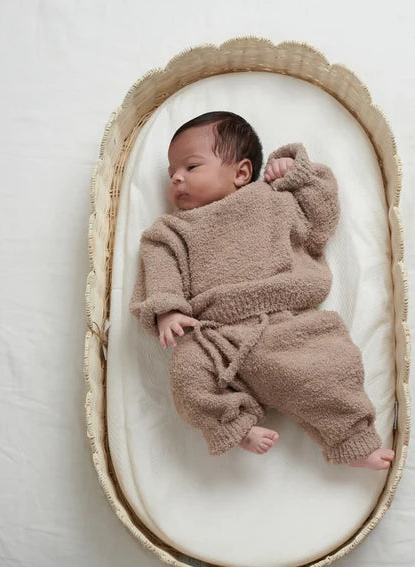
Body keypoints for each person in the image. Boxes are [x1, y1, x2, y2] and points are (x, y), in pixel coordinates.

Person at [129, 111, 395, 470]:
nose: (177, 177)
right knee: (187, 374)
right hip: (217, 338)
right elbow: (160, 266)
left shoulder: (271, 199)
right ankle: (235, 424)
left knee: (331, 369)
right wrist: (167, 310)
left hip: (287, 326)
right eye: (171, 172)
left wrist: (295, 172)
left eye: (191, 167)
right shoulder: (170, 230)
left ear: (241, 173)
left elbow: (320, 216)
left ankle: (353, 440)